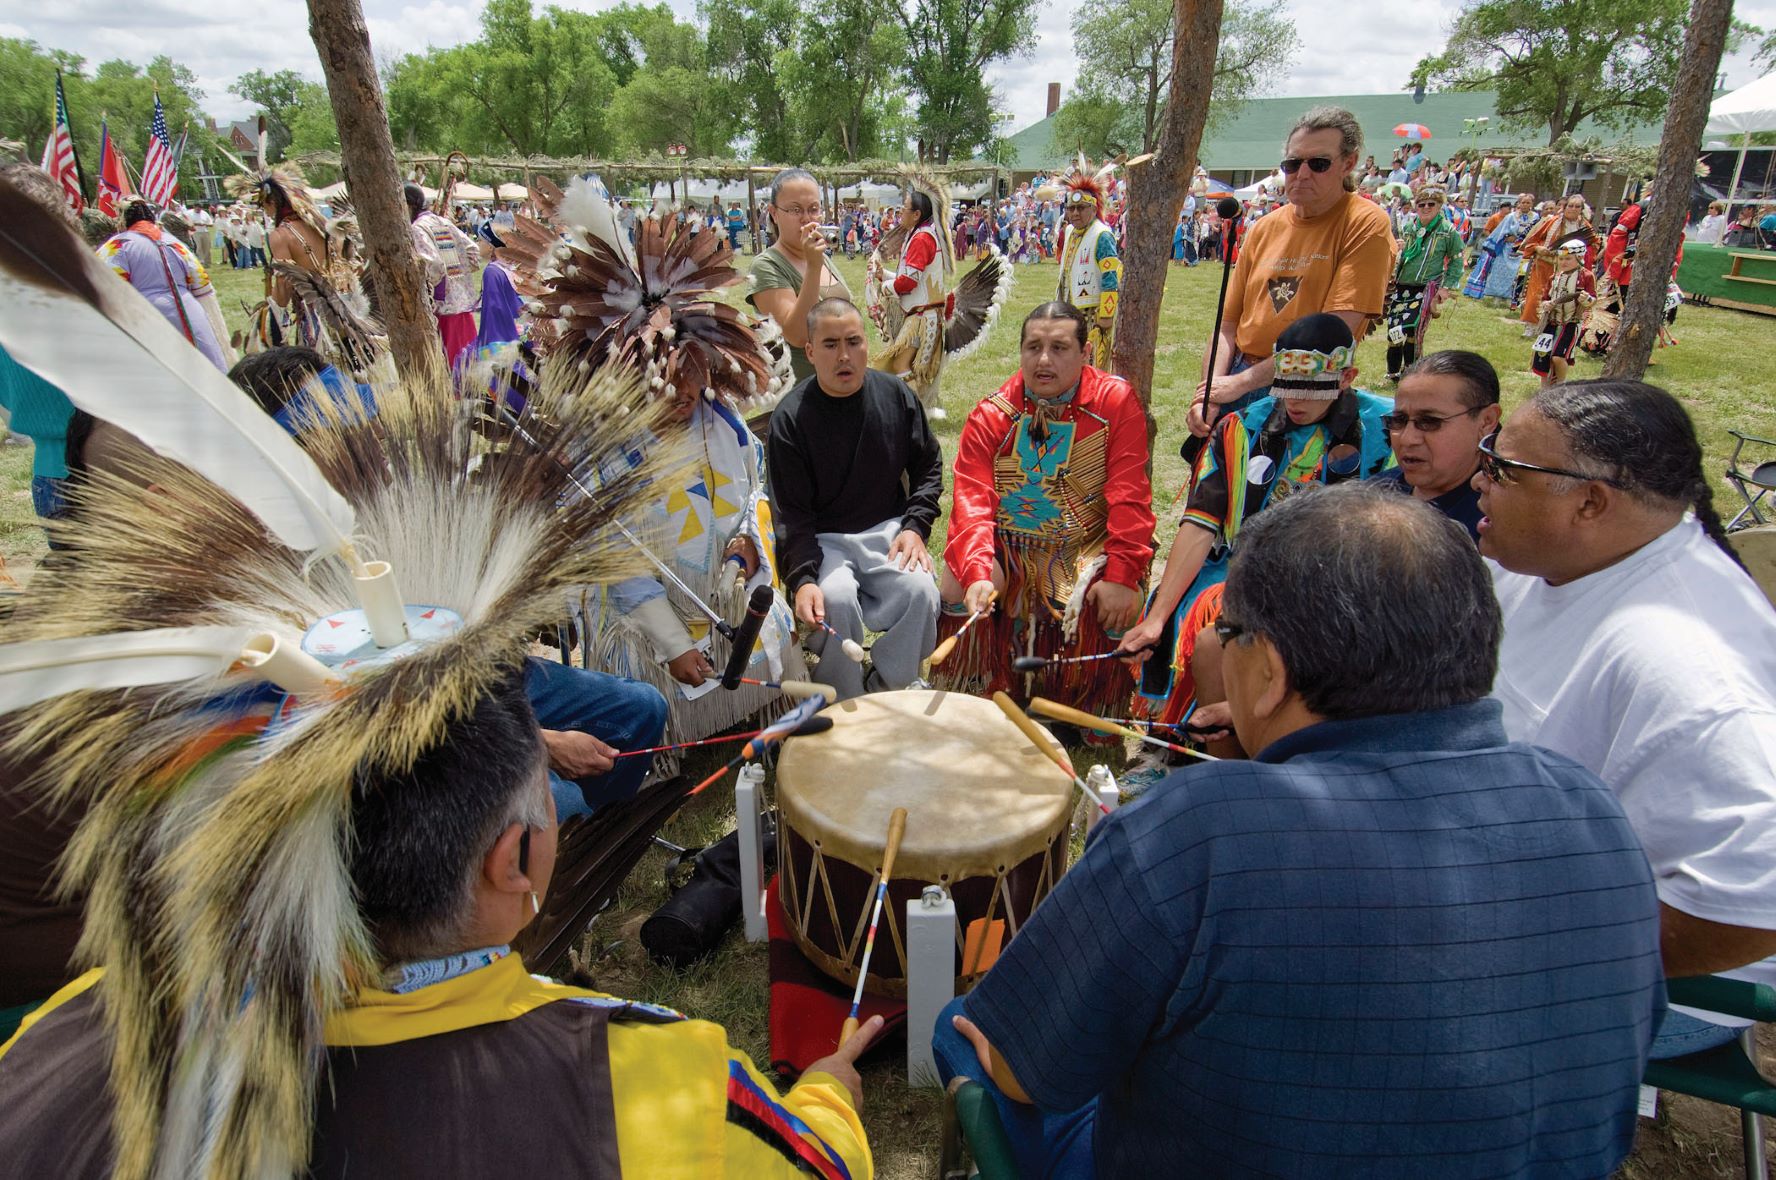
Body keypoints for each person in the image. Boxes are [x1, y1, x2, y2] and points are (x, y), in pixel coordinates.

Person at [933, 482, 1664, 1178]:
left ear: (1272, 673)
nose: (1221, 646)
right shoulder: (1590, 804)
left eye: (1231, 634)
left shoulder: (1197, 834)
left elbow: (1024, 1074)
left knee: (965, 1028)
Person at [1479, 380, 1776, 1059]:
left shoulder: (1691, 667)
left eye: (1504, 469)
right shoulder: (1545, 558)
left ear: (1590, 501)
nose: (1480, 479)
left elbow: (1758, 901)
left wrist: (1551, 945)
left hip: (1664, 985)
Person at [1122, 314, 1394, 768]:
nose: (1295, 403)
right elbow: (1201, 522)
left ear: (1347, 377)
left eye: (1312, 391)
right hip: (1242, 563)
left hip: (1343, 576)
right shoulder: (1242, 428)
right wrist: (1160, 614)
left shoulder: (1386, 429)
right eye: (1286, 389)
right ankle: (1184, 745)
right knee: (1199, 609)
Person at [937, 302, 1154, 721]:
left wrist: (1123, 572)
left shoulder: (1114, 403)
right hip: (1011, 546)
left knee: (1114, 596)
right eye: (1033, 347)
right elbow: (972, 502)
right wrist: (978, 573)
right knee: (955, 583)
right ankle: (974, 692)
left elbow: (1131, 495)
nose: (1044, 360)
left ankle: (1091, 707)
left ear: (1085, 353)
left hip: (1087, 545)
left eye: (1059, 348)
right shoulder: (992, 416)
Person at [766, 298, 943, 699]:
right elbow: (791, 514)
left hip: (887, 529)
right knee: (837, 600)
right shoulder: (790, 419)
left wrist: (914, 527)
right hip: (823, 539)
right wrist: (804, 579)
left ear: (868, 345)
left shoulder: (895, 396)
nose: (844, 355)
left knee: (921, 592)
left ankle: (892, 688)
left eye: (853, 341)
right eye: (830, 344)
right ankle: (843, 700)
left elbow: (928, 466)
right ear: (809, 352)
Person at [1190, 106, 1394, 434]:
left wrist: (1239, 384)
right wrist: (1212, 390)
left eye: (1318, 164)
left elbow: (1332, 335)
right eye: (1292, 163)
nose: (1302, 174)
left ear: (1349, 163)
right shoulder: (1263, 228)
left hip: (1308, 391)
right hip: (1238, 376)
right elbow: (1227, 326)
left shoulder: (1366, 224)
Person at [1368, 349, 1499, 541]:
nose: (1407, 438)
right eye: (1399, 420)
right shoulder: (1369, 497)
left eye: (1429, 422)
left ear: (1486, 421)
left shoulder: (1499, 527)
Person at [96, 198, 234, 372]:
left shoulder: (117, 246)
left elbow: (104, 286)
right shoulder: (176, 243)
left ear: (123, 219)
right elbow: (202, 285)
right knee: (207, 372)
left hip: (147, 316)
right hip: (192, 314)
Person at [747, 168, 852, 386]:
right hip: (802, 394)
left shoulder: (818, 256)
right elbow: (798, 334)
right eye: (795, 210)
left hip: (840, 386)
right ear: (774, 213)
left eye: (813, 209)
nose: (807, 219)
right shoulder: (766, 265)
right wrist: (814, 268)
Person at [874, 175, 957, 417]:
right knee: (901, 364)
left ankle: (915, 412)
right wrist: (885, 275)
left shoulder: (921, 237)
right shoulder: (921, 233)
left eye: (904, 208)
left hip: (923, 318)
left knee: (899, 363)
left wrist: (884, 289)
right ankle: (914, 409)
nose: (900, 212)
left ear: (917, 214)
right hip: (922, 314)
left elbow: (909, 282)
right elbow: (910, 276)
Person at [1382, 186, 1465, 380]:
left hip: (1425, 288)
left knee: (1412, 329)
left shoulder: (1447, 231)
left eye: (1431, 204)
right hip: (1402, 286)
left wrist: (1446, 288)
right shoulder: (1411, 227)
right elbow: (1402, 256)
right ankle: (1393, 370)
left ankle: (1411, 371)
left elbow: (1457, 259)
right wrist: (1398, 249)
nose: (1426, 207)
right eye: (1421, 204)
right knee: (1395, 328)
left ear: (1439, 206)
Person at [406, 181, 481, 370]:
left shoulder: (417, 228)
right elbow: (473, 251)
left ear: (409, 205)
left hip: (444, 310)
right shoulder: (444, 222)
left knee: (453, 367)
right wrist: (458, 276)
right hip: (461, 305)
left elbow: (434, 265)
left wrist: (439, 289)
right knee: (470, 366)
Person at [1054, 166, 1122, 370]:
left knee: (1091, 367)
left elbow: (1111, 276)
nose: (1075, 213)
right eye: (1071, 208)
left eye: (1081, 208)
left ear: (1093, 209)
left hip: (1092, 314)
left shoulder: (1102, 235)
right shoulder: (1069, 232)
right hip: (1068, 308)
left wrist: (1107, 315)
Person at [1518, 194, 1598, 331]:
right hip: (1547, 265)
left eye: (1577, 206)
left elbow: (1594, 245)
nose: (1573, 209)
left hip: (1572, 270)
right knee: (1539, 295)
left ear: (1582, 209)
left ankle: (1560, 326)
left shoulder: (1585, 227)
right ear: (1564, 207)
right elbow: (1530, 241)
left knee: (1565, 297)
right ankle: (1532, 326)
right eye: (1570, 206)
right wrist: (1538, 248)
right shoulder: (1551, 222)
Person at [1530, 239, 1597, 386]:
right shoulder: (1554, 277)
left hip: (1570, 323)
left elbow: (1592, 300)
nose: (1563, 262)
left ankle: (1560, 384)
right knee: (1544, 357)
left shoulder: (1586, 276)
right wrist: (1546, 304)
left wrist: (1587, 299)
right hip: (1552, 322)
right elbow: (1546, 297)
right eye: (1561, 259)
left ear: (1579, 258)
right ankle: (1545, 390)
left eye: (1568, 259)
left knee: (1558, 357)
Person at [1463, 191, 1537, 303]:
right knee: (1500, 272)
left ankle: (1511, 297)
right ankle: (1496, 296)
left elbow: (1536, 232)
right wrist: (1505, 239)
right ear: (1519, 203)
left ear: (1532, 204)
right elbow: (1500, 232)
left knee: (1516, 274)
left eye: (1528, 202)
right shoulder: (1511, 217)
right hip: (1507, 248)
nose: (1525, 204)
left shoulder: (1535, 217)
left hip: (1523, 249)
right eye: (1523, 202)